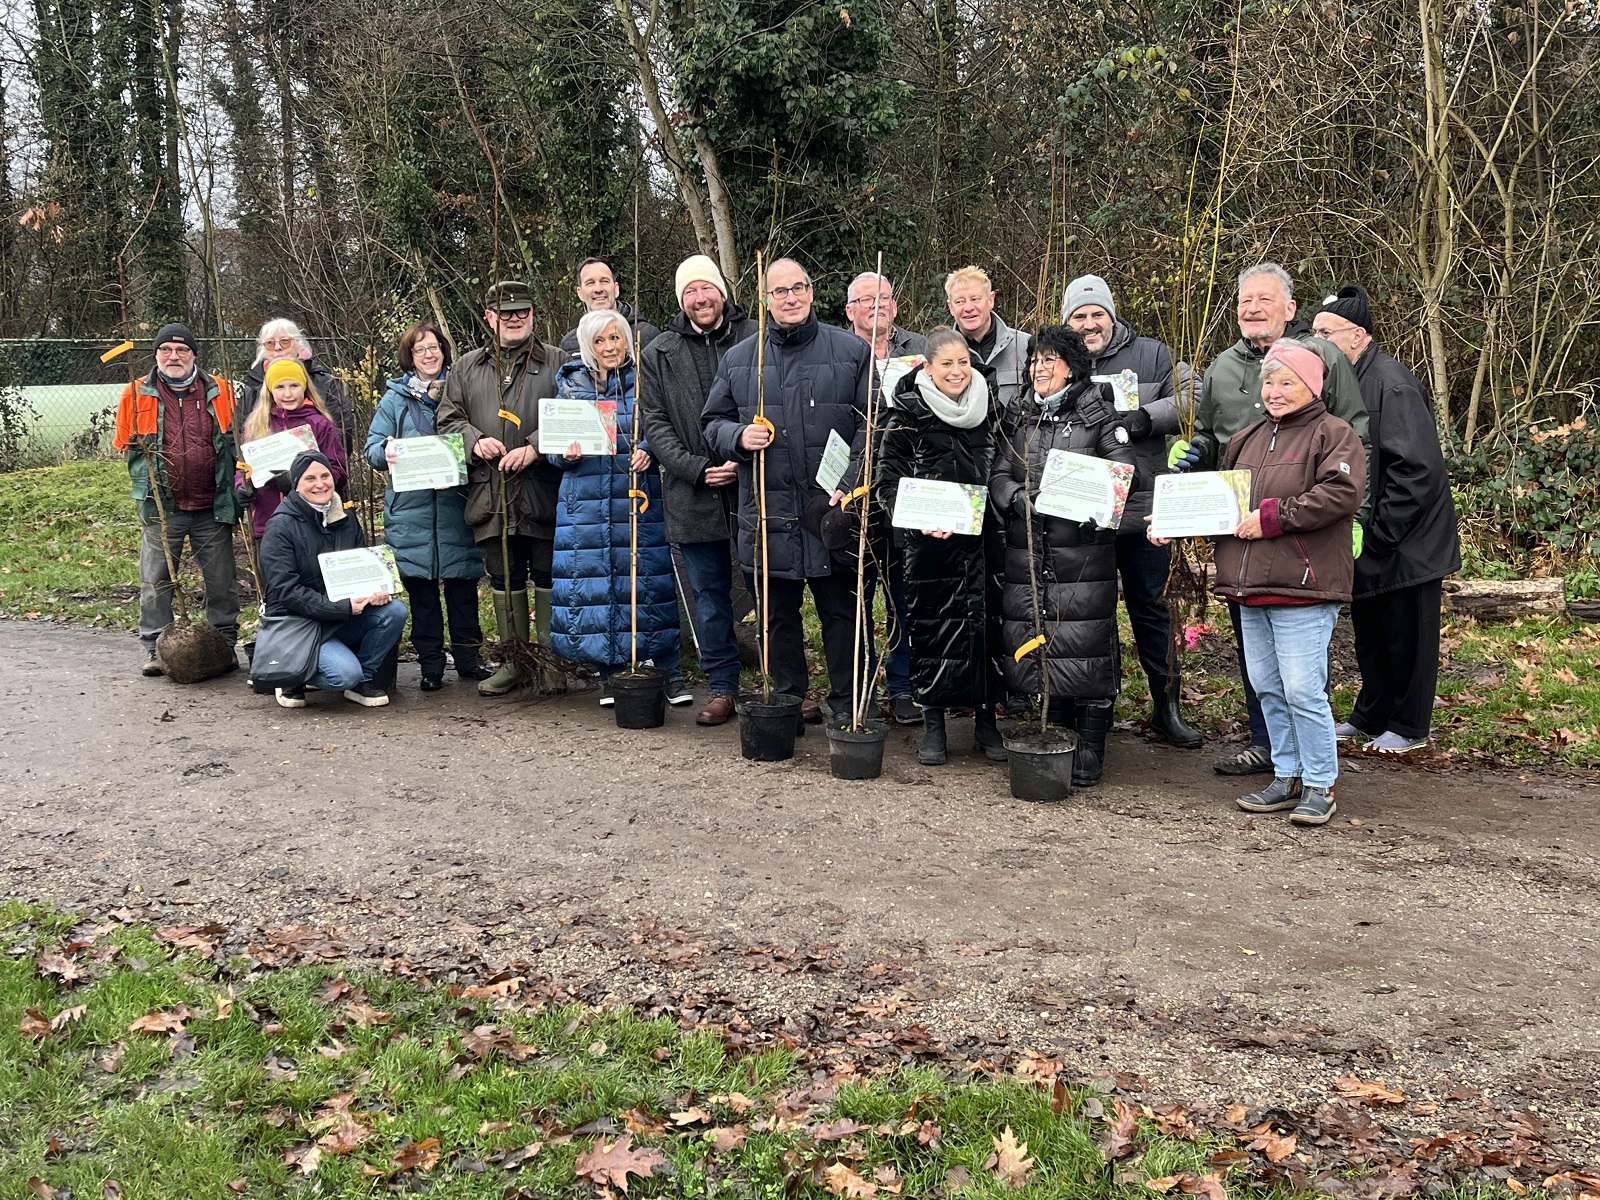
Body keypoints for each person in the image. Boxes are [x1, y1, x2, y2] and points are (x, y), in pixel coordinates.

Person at [1168, 262, 1370, 776]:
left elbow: (1355, 442)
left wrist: (1358, 515)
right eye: (1244, 301)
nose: (1252, 309)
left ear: (1290, 308)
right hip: (1244, 550)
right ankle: (1273, 754)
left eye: (1263, 300)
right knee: (1261, 668)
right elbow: (1215, 445)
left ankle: (1314, 770)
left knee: (1301, 675)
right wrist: (1189, 468)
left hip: (1305, 546)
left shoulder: (1324, 360)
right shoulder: (1223, 370)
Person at [702, 256, 873, 725]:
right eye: (780, 291)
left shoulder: (852, 352)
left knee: (843, 614)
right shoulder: (740, 359)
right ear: (765, 299)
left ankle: (849, 704)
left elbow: (871, 425)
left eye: (798, 287)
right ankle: (787, 700)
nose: (791, 298)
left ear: (812, 291)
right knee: (778, 619)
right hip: (768, 512)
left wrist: (847, 486)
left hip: (833, 512)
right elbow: (711, 423)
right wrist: (737, 438)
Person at [1313, 285, 1461, 754]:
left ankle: (1410, 726)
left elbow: (1417, 469)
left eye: (1324, 333)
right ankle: (1371, 713)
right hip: (1369, 538)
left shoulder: (1391, 384)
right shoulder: (1347, 383)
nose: (1314, 341)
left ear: (1357, 335)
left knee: (1408, 638)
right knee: (1372, 634)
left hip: (1409, 543)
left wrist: (1380, 532)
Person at [989, 326, 1137, 786]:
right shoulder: (1018, 413)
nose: (1039, 367)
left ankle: (1091, 747)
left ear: (1072, 365)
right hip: (1028, 550)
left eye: (1050, 359)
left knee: (1085, 646)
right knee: (1042, 643)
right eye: (1034, 359)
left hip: (1083, 556)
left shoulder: (1097, 412)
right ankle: (1057, 731)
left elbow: (1125, 475)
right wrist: (1014, 497)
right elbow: (998, 472)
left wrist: (1094, 503)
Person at [1062, 274, 1203, 749]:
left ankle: (1167, 707)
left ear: (1111, 314)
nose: (1088, 324)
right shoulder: (1058, 357)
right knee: (1085, 610)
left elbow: (1193, 396)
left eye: (1096, 313)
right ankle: (1086, 705)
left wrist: (1146, 417)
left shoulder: (1153, 353)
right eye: (1078, 316)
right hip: (1084, 507)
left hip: (1143, 508)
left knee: (1153, 609)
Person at [877, 327, 1006, 765]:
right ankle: (934, 724)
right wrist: (922, 518)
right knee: (931, 631)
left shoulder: (991, 408)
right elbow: (887, 483)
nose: (957, 371)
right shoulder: (906, 415)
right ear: (927, 367)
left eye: (963, 362)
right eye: (946, 363)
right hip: (927, 546)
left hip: (984, 540)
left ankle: (986, 723)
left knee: (986, 629)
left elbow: (1007, 467)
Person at [638, 254, 757, 726]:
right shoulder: (659, 352)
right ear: (680, 299)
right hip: (693, 492)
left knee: (769, 591)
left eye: (707, 288)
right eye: (690, 291)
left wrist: (738, 459)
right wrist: (697, 468)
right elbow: (656, 421)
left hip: (754, 487)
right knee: (708, 595)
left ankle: (784, 684)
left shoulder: (755, 338)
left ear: (722, 293)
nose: (700, 298)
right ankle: (723, 686)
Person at [548, 310, 690, 706]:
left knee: (650, 583)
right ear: (587, 346)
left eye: (616, 338)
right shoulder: (571, 386)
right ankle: (610, 674)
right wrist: (565, 454)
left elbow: (664, 429)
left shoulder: (645, 380)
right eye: (600, 341)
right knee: (598, 585)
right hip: (586, 505)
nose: (610, 347)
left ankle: (669, 672)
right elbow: (555, 454)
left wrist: (648, 450)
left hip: (638, 499)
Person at [436, 281, 565, 695]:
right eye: (505, 313)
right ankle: (514, 664)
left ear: (532, 315)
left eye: (521, 312)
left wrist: (536, 447)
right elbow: (447, 419)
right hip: (489, 494)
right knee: (503, 576)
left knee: (549, 574)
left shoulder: (560, 363)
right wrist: (474, 439)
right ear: (490, 318)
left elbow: (577, 415)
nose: (513, 319)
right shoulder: (466, 367)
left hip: (544, 490)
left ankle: (551, 663)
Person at [364, 321, 490, 691]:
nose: (429, 354)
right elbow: (371, 448)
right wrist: (385, 451)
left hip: (458, 507)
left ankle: (469, 660)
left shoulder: (462, 390)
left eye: (434, 347)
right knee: (422, 596)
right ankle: (431, 667)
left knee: (463, 591)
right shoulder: (394, 400)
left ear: (444, 351)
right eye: (420, 349)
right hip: (410, 513)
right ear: (410, 356)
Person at [112, 322, 242, 676]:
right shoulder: (135, 394)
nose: (174, 356)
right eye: (166, 350)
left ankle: (224, 645)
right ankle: (156, 648)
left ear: (194, 355)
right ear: (155, 355)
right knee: (155, 580)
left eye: (182, 350)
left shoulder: (221, 390)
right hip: (161, 508)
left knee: (221, 581)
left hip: (212, 505)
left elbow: (235, 443)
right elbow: (126, 447)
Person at [257, 451, 408, 708]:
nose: (320, 484)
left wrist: (377, 590)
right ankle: (291, 674)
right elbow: (286, 591)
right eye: (310, 478)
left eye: (325, 475)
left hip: (340, 618)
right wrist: (341, 607)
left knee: (394, 611)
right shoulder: (280, 526)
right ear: (296, 484)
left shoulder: (346, 519)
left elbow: (362, 566)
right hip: (298, 624)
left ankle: (364, 679)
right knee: (343, 675)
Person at [844, 270, 925, 725]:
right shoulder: (836, 352)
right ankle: (860, 687)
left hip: (906, 486)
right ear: (849, 309)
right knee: (855, 592)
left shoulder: (920, 349)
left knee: (902, 592)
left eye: (885, 297)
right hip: (854, 490)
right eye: (865, 299)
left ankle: (902, 686)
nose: (876, 305)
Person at [235, 357, 347, 540]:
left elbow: (338, 472)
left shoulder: (320, 424)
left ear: (304, 386)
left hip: (312, 523)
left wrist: (298, 481)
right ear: (270, 390)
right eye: (280, 387)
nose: (288, 394)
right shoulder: (257, 424)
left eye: (294, 385)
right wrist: (242, 487)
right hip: (267, 523)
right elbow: (243, 467)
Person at [237, 319, 354, 449]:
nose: (277, 347)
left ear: (299, 344)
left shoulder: (323, 382)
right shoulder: (252, 386)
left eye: (285, 341)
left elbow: (342, 431)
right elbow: (237, 433)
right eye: (270, 343)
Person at [945, 266, 1031, 416]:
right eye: (960, 302)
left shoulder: (1025, 346)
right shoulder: (939, 355)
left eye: (975, 299)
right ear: (950, 307)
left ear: (991, 300)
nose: (968, 308)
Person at [559, 258, 660, 358]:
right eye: (590, 283)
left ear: (616, 289)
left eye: (604, 281)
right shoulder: (570, 345)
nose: (598, 289)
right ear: (580, 293)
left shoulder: (647, 335)